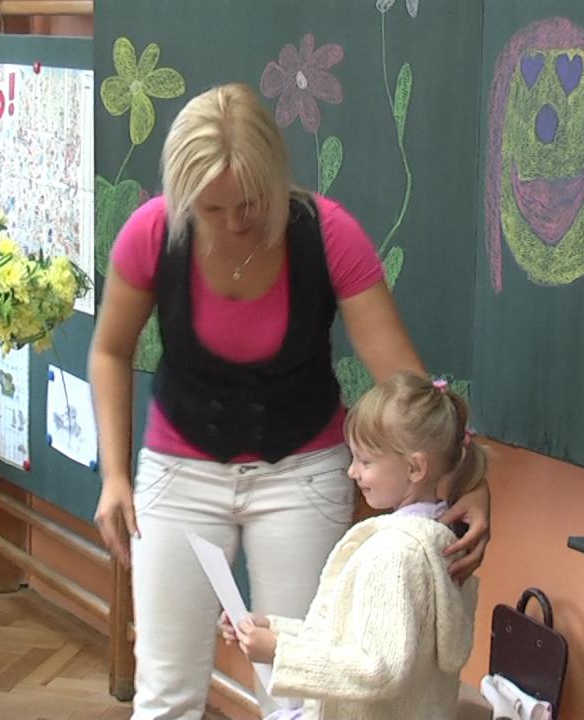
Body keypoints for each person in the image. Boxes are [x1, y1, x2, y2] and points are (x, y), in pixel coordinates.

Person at [88, 82, 492, 720]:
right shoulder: (153, 233)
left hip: (302, 473)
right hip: (179, 471)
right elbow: (110, 351)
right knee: (165, 695)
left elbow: (411, 392)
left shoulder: (328, 235)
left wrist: (471, 478)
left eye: (250, 202)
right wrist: (115, 475)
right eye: (211, 208)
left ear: (277, 176)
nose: (233, 222)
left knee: (302, 697)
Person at [221, 371, 485, 719]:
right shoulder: (438, 539)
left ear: (415, 467)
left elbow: (378, 669)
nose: (352, 472)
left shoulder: (395, 554)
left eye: (365, 461)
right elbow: (352, 638)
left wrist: (279, 652)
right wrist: (274, 630)